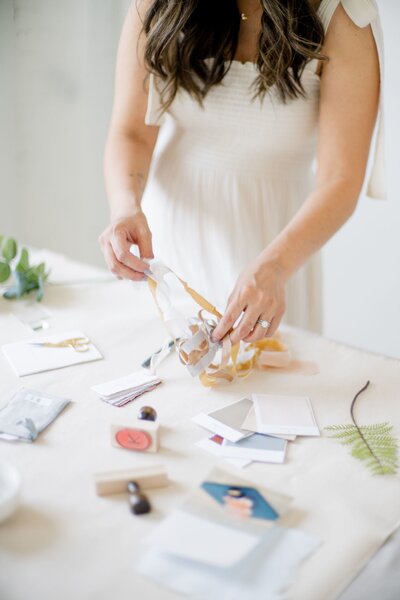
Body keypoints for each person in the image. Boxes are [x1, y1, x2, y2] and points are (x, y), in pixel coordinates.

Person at [99, 0, 384, 346]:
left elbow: (340, 179)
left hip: (277, 254)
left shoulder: (342, 17)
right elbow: (131, 133)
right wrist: (125, 206)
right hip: (169, 243)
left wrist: (276, 267)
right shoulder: (156, 6)